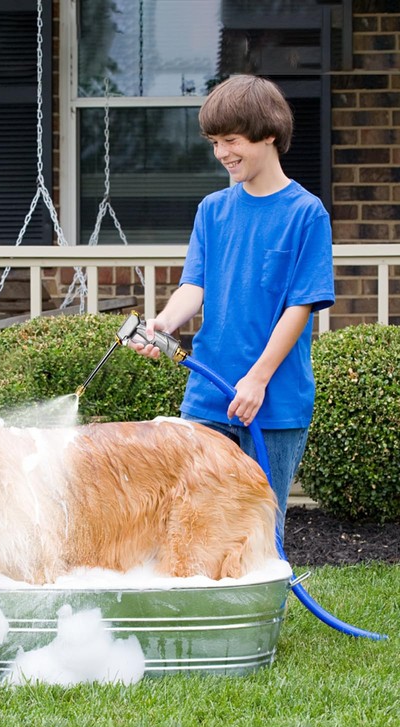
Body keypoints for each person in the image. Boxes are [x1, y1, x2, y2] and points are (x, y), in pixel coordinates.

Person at [129, 74, 334, 541]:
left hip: (274, 401)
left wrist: (259, 378)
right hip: (208, 394)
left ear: (269, 135)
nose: (221, 152)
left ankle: (263, 615)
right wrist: (163, 323)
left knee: (260, 525)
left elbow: (299, 308)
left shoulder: (306, 214)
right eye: (214, 142)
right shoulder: (213, 210)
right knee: (196, 519)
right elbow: (194, 285)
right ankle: (208, 613)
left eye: (231, 140)